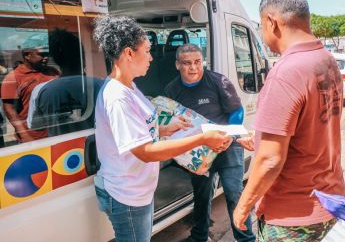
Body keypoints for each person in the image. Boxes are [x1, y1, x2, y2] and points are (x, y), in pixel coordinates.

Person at [92, 15, 232, 242]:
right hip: (128, 196)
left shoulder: (130, 86)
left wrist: (165, 128)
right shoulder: (118, 97)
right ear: (129, 53)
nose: (151, 57)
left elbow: (140, 130)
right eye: (147, 51)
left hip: (138, 191)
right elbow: (145, 152)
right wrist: (202, 139)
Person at [233, 0, 345, 241]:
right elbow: (312, 125)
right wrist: (261, 138)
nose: (263, 35)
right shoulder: (325, 59)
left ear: (272, 22)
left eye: (261, 26)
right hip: (330, 202)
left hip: (292, 218)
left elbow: (270, 161)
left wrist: (243, 206)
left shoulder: (285, 72)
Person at [164, 43, 255, 242]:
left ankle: (246, 238)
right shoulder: (171, 89)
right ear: (177, 64)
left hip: (228, 147)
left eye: (197, 62)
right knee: (202, 196)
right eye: (187, 63)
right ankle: (200, 236)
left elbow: (237, 111)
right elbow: (172, 123)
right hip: (199, 153)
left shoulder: (218, 81)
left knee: (235, 195)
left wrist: (227, 137)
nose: (194, 68)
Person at [27, 29, 104, 136]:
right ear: (82, 56)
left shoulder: (41, 90)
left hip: (62, 151)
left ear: (54, 59)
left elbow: (36, 126)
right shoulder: (102, 85)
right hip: (96, 149)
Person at [1, 47, 59, 142]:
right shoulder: (13, 77)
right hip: (33, 136)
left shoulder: (52, 72)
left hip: (58, 131)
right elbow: (9, 109)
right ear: (27, 56)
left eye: (47, 54)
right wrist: (24, 135)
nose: (46, 58)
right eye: (41, 55)